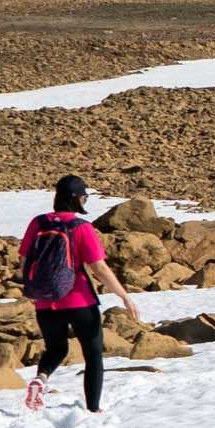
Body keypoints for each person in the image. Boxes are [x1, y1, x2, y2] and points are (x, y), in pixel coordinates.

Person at [19, 174, 141, 413]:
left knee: (56, 349)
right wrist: (124, 296)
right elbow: (99, 268)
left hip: (45, 302)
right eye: (84, 197)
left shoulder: (38, 223)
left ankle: (40, 379)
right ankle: (93, 409)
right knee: (93, 354)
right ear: (76, 200)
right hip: (79, 301)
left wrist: (33, 288)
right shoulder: (81, 227)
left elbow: (24, 260)